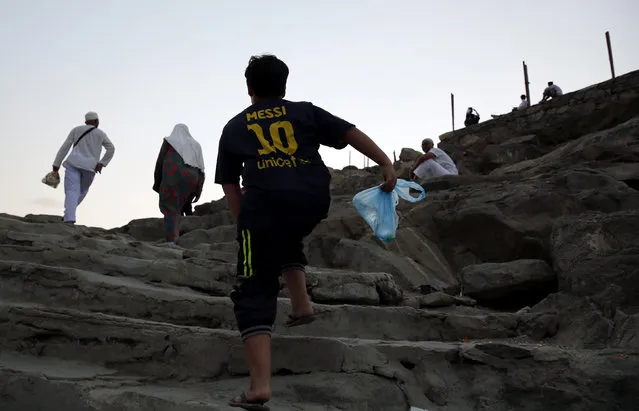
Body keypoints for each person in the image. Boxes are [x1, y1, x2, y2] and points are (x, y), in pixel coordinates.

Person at [215, 54, 397, 410]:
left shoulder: (236, 125)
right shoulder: (304, 111)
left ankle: (259, 387)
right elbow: (350, 132)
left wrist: (244, 226)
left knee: (254, 286)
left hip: (262, 207)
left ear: (249, 88)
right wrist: (385, 163)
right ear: (284, 86)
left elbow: (229, 183)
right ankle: (301, 305)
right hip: (312, 200)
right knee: (287, 235)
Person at [52, 111, 115, 224]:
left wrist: (56, 165)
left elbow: (65, 147)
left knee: (72, 191)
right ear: (96, 121)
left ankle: (69, 216)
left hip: (73, 163)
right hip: (90, 167)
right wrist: (102, 163)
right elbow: (111, 148)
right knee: (82, 191)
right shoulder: (101, 134)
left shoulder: (76, 130)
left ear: (86, 121)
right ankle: (69, 216)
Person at [153, 124, 205, 243]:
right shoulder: (196, 145)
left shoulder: (169, 141)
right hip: (192, 179)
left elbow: (160, 163)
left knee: (171, 208)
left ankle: (172, 241)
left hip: (172, 178)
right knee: (184, 201)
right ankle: (191, 233)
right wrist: (198, 190)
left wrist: (157, 185)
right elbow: (201, 168)